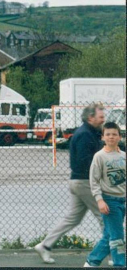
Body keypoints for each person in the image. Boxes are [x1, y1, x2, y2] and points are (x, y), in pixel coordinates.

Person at [34, 103, 105, 264]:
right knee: (104, 216)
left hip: (78, 181)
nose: (103, 120)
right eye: (100, 117)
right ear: (90, 117)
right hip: (85, 182)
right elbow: (85, 161)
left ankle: (45, 245)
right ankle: (114, 252)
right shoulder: (86, 135)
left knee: (73, 218)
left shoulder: (88, 132)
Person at [84, 122, 125, 267]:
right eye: (108, 134)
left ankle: (92, 261)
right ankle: (120, 264)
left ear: (120, 137)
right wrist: (100, 200)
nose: (111, 137)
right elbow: (93, 181)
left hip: (122, 201)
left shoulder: (124, 156)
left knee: (110, 234)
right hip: (109, 201)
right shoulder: (99, 156)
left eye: (114, 134)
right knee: (118, 237)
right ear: (103, 137)